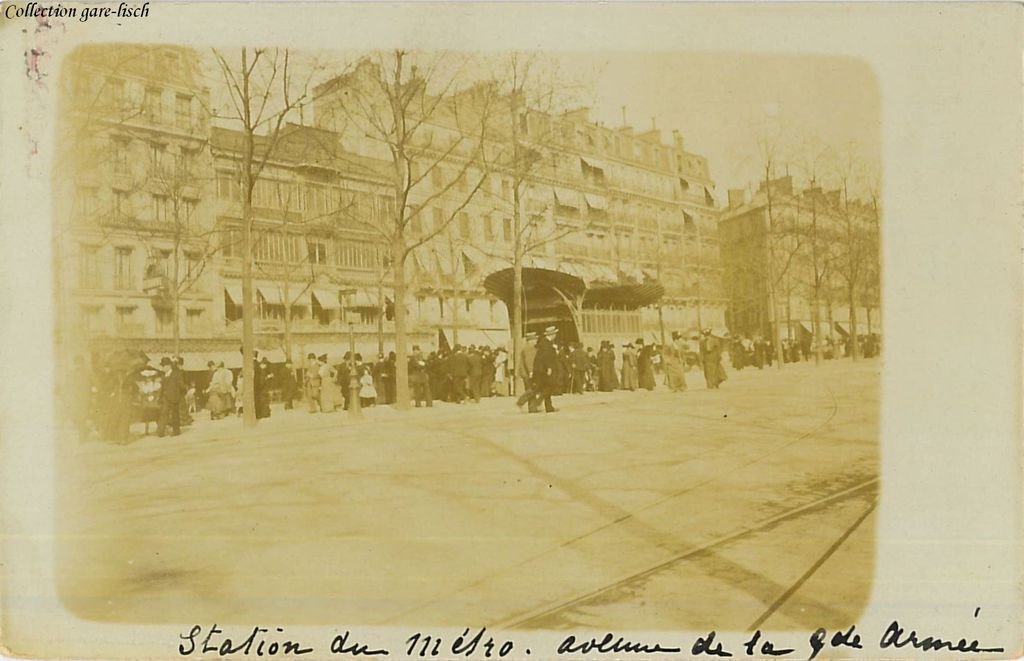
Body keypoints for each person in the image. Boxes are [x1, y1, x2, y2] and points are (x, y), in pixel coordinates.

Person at [528, 336, 558, 413]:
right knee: (545, 388)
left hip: (541, 369)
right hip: (543, 370)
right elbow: (546, 357)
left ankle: (548, 406)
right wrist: (549, 367)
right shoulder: (546, 344)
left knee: (544, 388)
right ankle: (536, 405)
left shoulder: (546, 343)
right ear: (552, 334)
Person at [157, 357, 184, 437]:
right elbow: (162, 387)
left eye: (164, 366)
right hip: (165, 398)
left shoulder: (176, 374)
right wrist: (160, 396)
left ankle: (176, 431)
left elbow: (182, 386)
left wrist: (178, 395)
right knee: (163, 413)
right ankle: (160, 432)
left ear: (168, 366)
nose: (163, 368)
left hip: (174, 397)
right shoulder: (163, 375)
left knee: (175, 414)